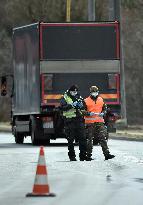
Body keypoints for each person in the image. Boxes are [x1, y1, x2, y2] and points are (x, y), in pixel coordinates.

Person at [84, 85, 115, 161]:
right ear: (90, 93)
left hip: (100, 122)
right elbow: (82, 111)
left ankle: (107, 154)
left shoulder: (101, 99)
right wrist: (88, 113)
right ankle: (88, 156)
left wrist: (103, 113)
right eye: (93, 92)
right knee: (89, 139)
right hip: (90, 123)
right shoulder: (85, 101)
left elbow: (105, 108)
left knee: (103, 138)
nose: (95, 93)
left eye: (96, 92)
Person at [60, 85, 87, 161]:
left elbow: (84, 106)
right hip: (69, 121)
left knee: (83, 138)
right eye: (73, 91)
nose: (74, 93)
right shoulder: (64, 97)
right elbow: (62, 107)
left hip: (79, 120)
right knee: (70, 139)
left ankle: (83, 156)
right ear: (70, 91)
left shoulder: (79, 97)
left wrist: (81, 105)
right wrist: (71, 105)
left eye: (75, 92)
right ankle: (72, 156)